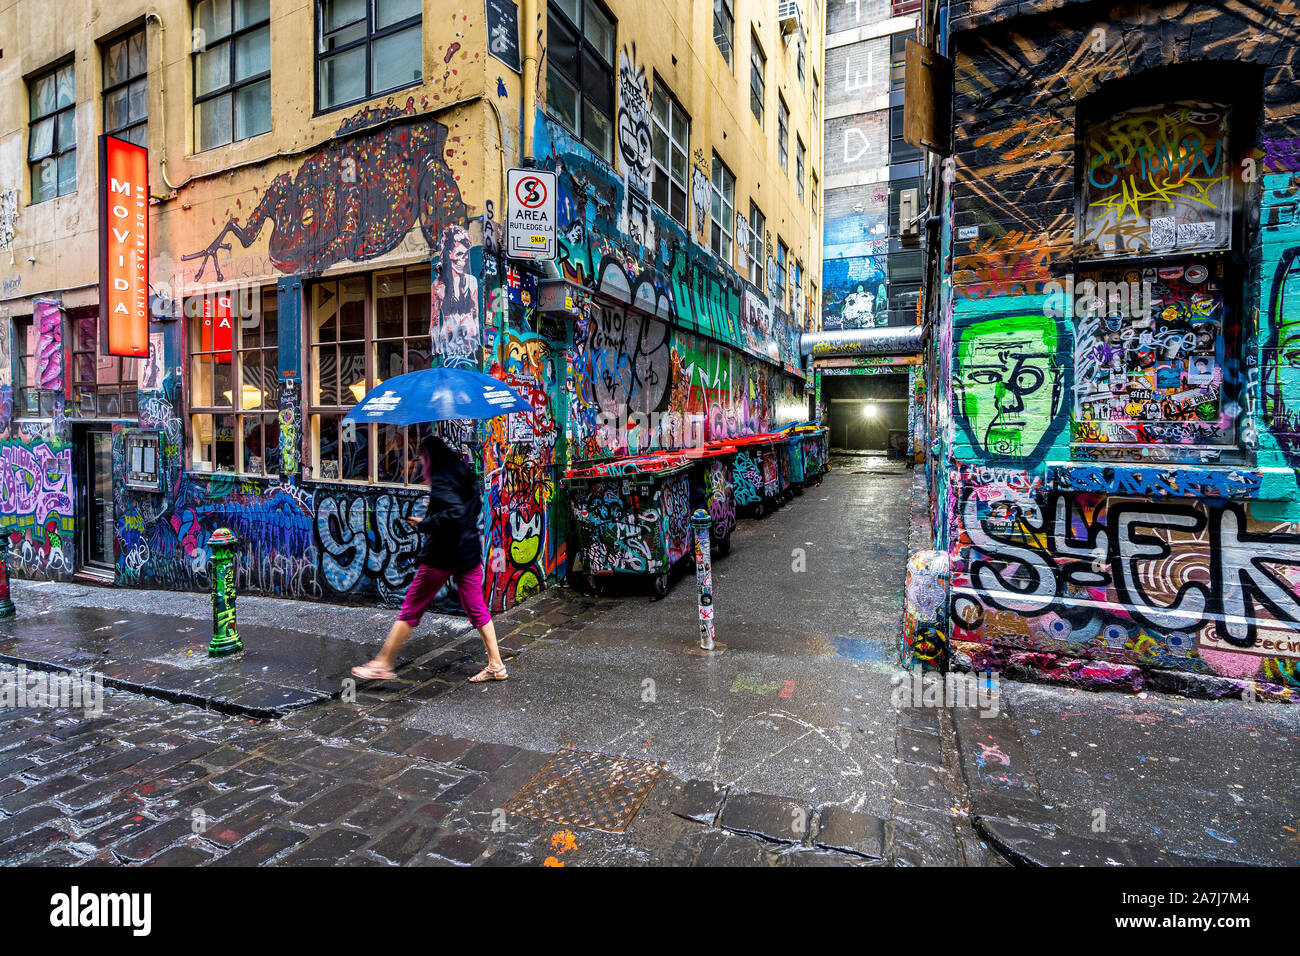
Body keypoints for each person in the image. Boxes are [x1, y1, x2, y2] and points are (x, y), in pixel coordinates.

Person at [352, 435, 508, 683]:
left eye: (422, 457)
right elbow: (470, 508)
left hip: (442, 555)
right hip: (468, 553)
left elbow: (453, 513)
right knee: (477, 608)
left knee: (412, 607)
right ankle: (497, 665)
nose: (421, 463)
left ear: (430, 457)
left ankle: (382, 663)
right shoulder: (462, 472)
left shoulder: (443, 478)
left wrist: (426, 523)